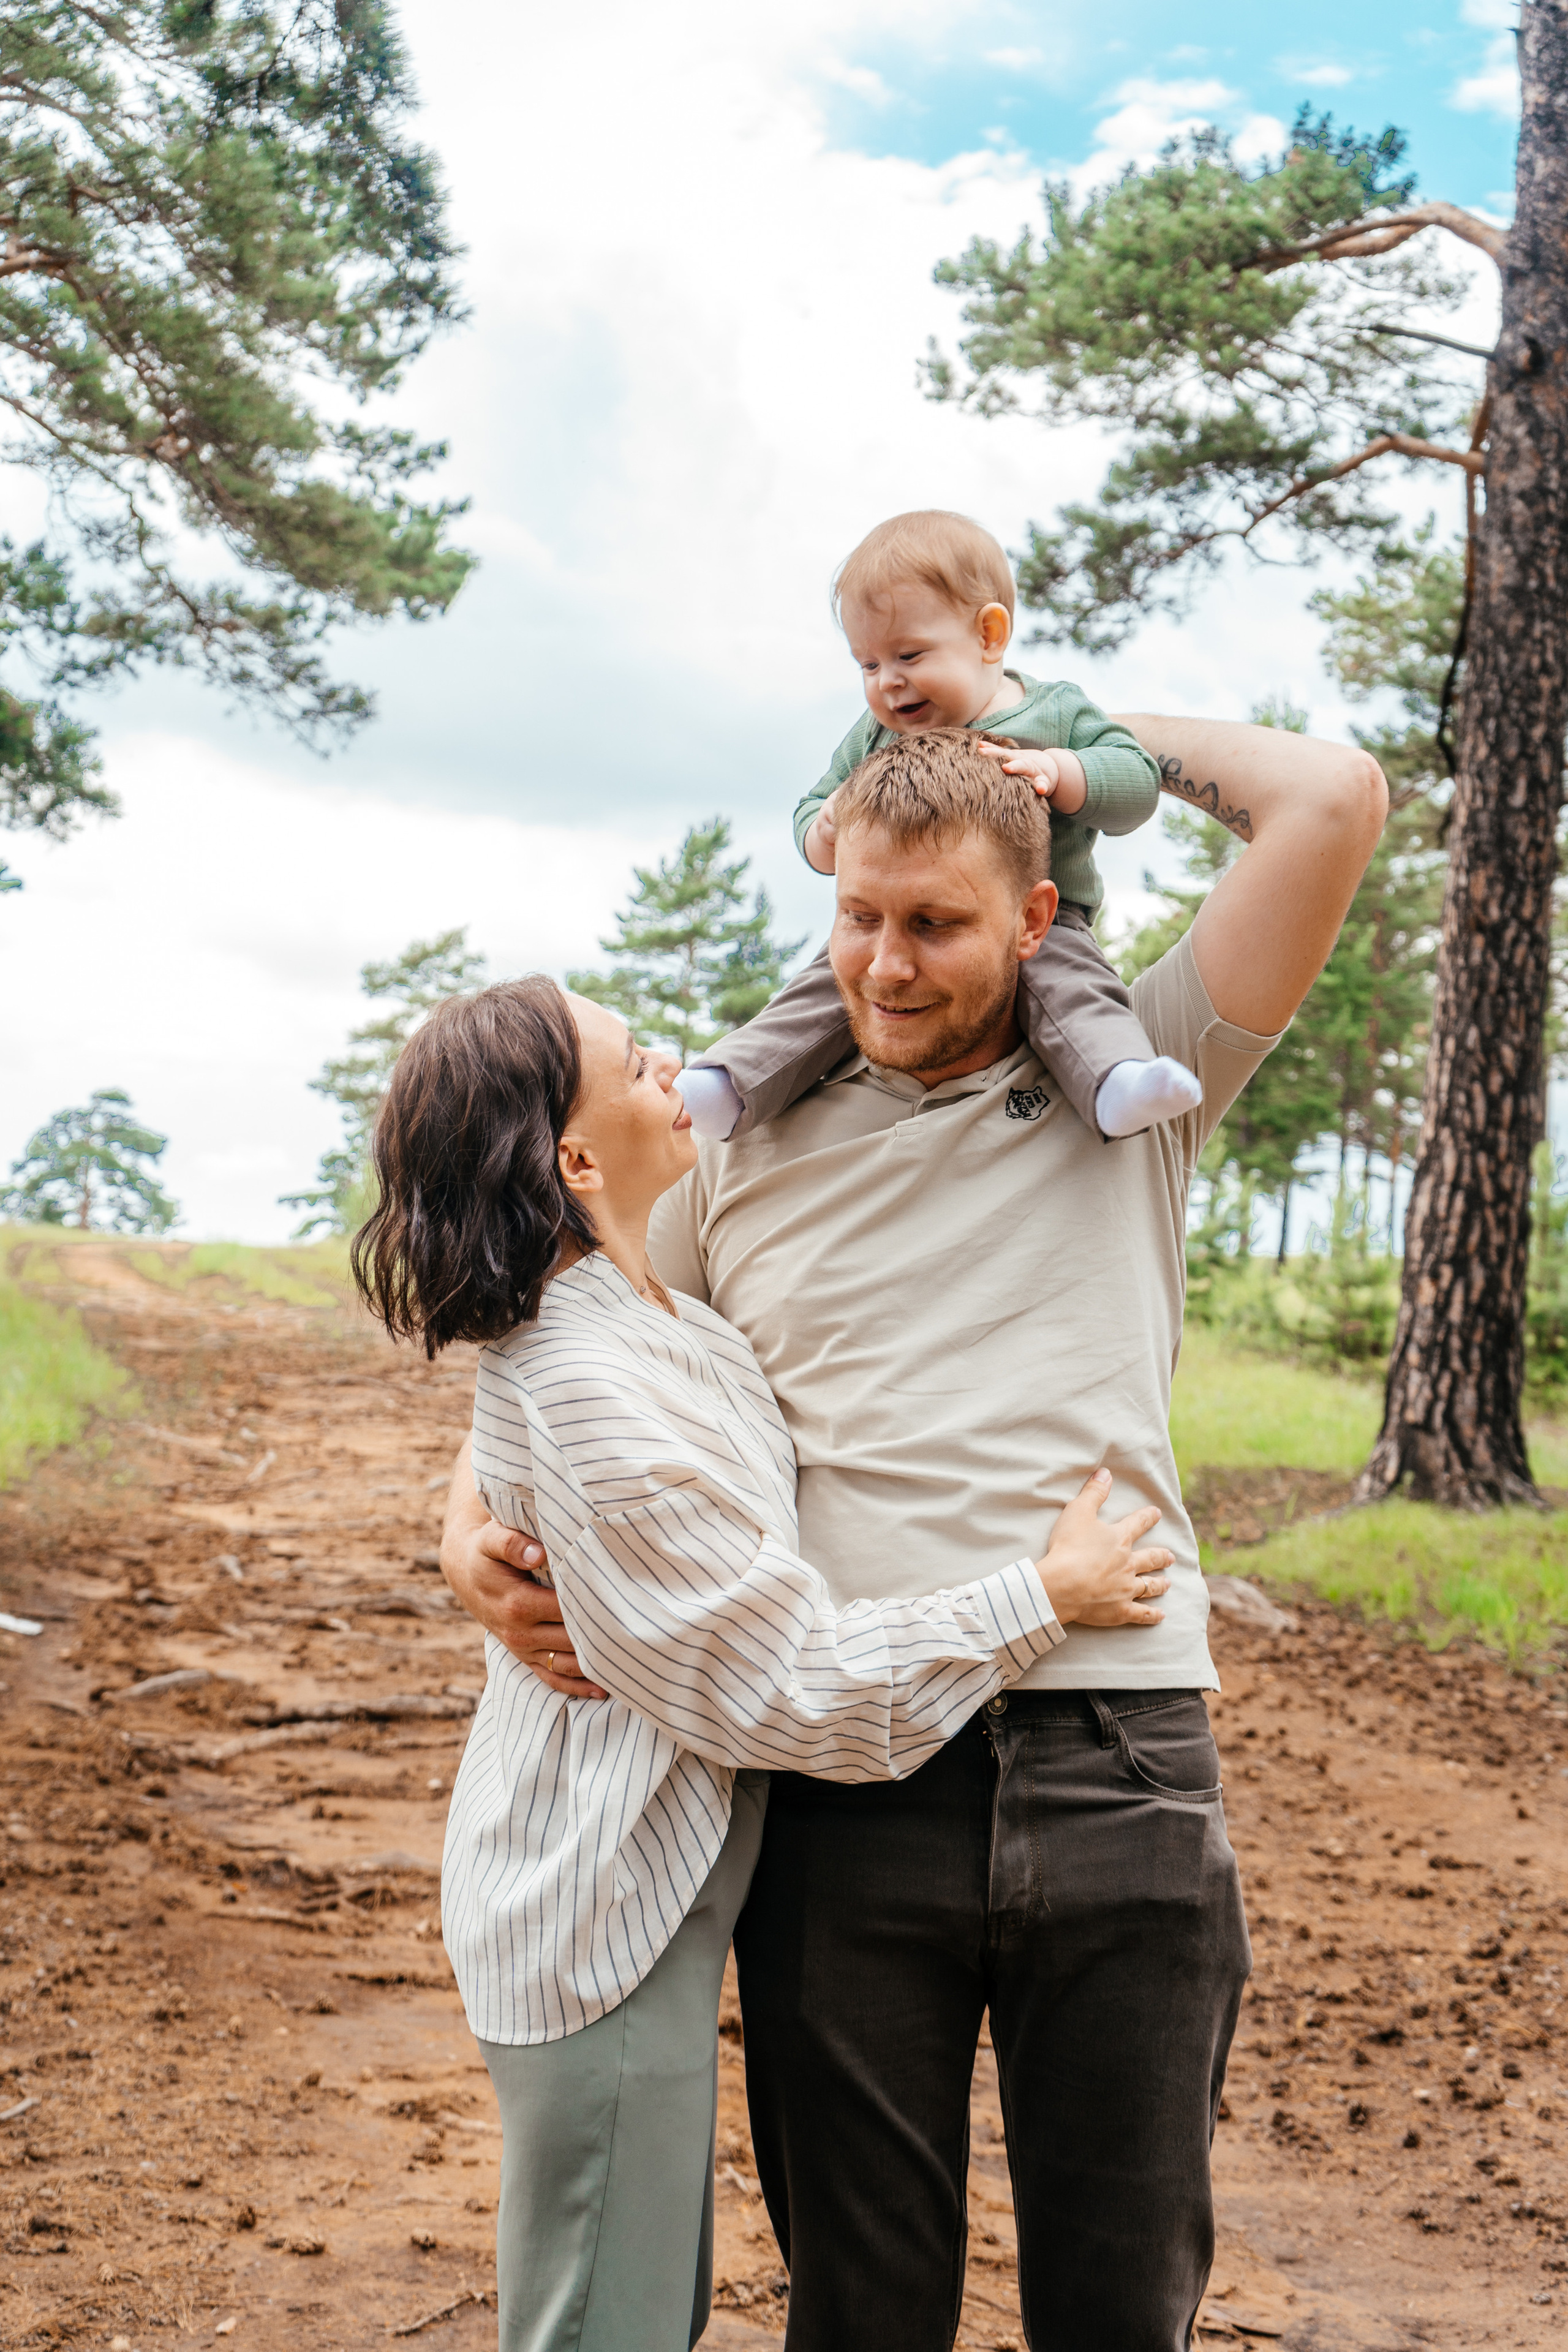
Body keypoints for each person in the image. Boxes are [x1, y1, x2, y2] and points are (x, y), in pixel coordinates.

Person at [441, 712, 1387, 2351]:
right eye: (859, 919)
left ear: (1033, 922)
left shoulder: (1139, 1084)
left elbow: (1329, 797)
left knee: (1122, 2301)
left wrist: (1052, 738)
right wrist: (462, 1532)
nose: (885, 968)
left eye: (937, 925)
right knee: (863, 2307)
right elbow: (558, 1343)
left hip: (1126, 1754)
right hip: (850, 1786)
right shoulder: (741, 1142)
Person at [350, 965, 1180, 2352]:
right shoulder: (594, 1389)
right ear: (570, 1156)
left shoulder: (647, 1317)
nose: (673, 1063)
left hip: (638, 1901)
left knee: (635, 2315)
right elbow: (786, 1686)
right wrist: (1036, 1594)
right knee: (605, 2330)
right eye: (633, 1061)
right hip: (594, 1917)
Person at [675, 508, 1202, 1145]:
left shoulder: (1052, 712)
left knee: (1074, 993)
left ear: (988, 634)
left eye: (908, 654)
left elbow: (1136, 784)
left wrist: (1060, 769)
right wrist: (829, 825)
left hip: (1046, 919)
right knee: (825, 990)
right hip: (902, 917)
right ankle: (728, 1086)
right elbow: (810, 814)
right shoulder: (875, 734)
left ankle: (1115, 1081)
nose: (887, 682)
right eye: (867, 665)